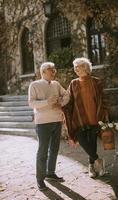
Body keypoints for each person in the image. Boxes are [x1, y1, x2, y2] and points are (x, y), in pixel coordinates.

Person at [63, 57, 109, 178]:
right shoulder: (74, 83)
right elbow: (68, 100)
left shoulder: (96, 81)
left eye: (78, 67)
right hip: (78, 119)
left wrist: (105, 115)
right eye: (75, 68)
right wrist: (60, 104)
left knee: (92, 143)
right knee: (83, 141)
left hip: (94, 117)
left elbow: (103, 99)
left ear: (86, 68)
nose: (75, 69)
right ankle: (99, 161)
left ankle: (91, 167)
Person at [28, 62, 69, 191]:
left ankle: (50, 173)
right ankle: (40, 179)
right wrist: (47, 102)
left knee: (54, 149)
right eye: (52, 70)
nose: (54, 72)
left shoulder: (56, 84)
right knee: (43, 151)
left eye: (54, 70)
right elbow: (31, 103)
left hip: (57, 121)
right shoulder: (34, 85)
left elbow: (67, 94)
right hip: (43, 123)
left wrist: (61, 103)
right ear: (44, 71)